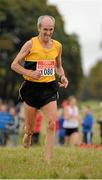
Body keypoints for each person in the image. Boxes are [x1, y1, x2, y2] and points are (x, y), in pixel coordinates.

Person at [11, 15, 68, 162]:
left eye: (51, 30)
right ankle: (28, 134)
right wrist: (30, 73)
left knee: (51, 124)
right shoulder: (30, 44)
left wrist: (62, 77)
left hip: (49, 88)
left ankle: (47, 162)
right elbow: (14, 65)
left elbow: (58, 66)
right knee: (30, 129)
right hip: (31, 89)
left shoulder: (58, 46)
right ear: (38, 28)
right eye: (45, 30)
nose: (48, 33)